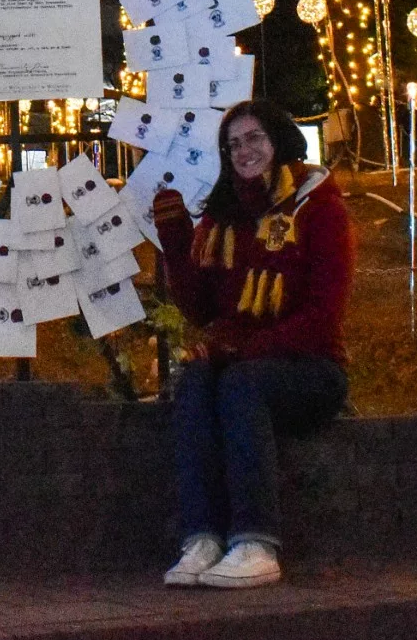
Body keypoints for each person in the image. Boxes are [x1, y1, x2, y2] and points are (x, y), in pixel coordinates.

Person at [150, 97, 353, 589]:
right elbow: (201, 311)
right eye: (233, 144)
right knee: (197, 382)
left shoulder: (318, 206)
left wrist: (243, 352)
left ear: (279, 140)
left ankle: (256, 543)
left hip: (312, 368)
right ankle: (202, 539)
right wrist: (175, 240)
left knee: (240, 384)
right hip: (241, 364)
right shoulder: (223, 215)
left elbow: (323, 318)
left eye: (254, 138)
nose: (244, 151)